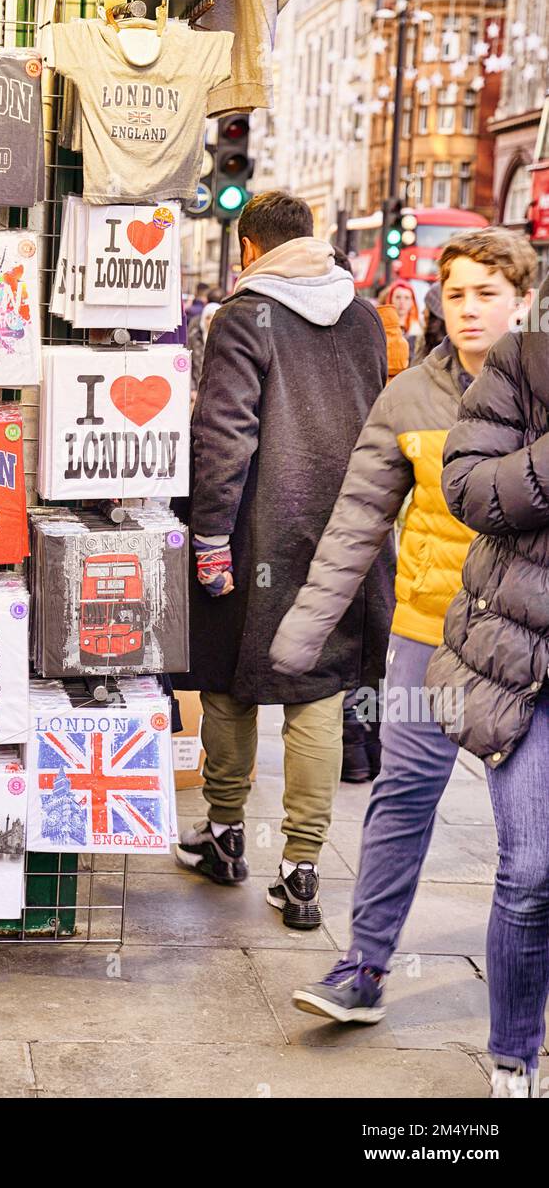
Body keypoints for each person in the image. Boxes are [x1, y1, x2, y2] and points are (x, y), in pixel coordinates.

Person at [269, 228, 535, 1021]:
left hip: (528, 647)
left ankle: (521, 1003)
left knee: (529, 841)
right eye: (455, 294)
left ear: (522, 299)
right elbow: (356, 521)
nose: (468, 310)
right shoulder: (409, 397)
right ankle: (363, 969)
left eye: (487, 294)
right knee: (402, 794)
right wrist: (304, 628)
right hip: (428, 635)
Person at [173, 190, 395, 929]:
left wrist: (208, 536)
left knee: (229, 683)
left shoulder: (244, 315)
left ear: (248, 249)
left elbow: (223, 434)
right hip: (347, 531)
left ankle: (226, 835)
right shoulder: (364, 316)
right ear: (314, 242)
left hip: (255, 530)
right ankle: (302, 869)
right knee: (318, 690)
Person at [425, 259, 547, 1098]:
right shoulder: (522, 362)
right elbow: (465, 486)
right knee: (532, 866)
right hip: (523, 666)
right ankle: (512, 1055)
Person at [187, 286, 224, 398]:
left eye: (214, 317)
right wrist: (192, 388)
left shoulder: (225, 338)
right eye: (208, 317)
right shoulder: (195, 336)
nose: (210, 321)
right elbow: (190, 363)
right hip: (197, 390)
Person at [379, 279, 420, 358]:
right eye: (398, 297)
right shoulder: (381, 326)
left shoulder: (419, 329)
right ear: (391, 299)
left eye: (407, 298)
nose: (402, 302)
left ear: (412, 302)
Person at [412, 281, 446, 364]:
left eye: (427, 307)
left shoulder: (444, 350)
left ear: (435, 314)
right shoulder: (424, 340)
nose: (423, 312)